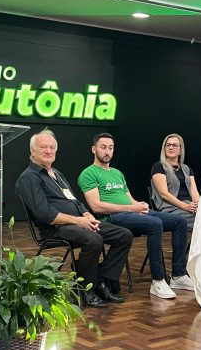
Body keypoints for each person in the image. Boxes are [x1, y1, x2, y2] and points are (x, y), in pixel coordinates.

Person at [15, 129, 132, 309]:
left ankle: (100, 280)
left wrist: (86, 214)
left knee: (124, 235)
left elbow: (74, 200)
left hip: (77, 222)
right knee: (94, 239)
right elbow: (44, 214)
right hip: (54, 228)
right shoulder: (29, 177)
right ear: (33, 150)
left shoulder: (56, 173)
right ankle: (86, 291)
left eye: (52, 147)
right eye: (44, 147)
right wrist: (78, 221)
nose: (49, 151)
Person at [78, 133, 193, 300]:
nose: (107, 151)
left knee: (179, 221)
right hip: (112, 217)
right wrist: (132, 208)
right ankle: (158, 280)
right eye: (103, 147)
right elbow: (97, 206)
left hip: (130, 212)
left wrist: (139, 205)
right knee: (155, 224)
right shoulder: (88, 173)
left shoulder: (117, 173)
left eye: (110, 148)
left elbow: (129, 199)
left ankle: (178, 275)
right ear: (94, 149)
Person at [150, 134, 200, 230]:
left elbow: (194, 191)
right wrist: (185, 206)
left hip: (189, 206)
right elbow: (164, 194)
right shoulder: (159, 166)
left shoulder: (187, 168)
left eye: (175, 145)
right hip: (170, 208)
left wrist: (198, 206)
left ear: (181, 149)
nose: (171, 147)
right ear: (164, 148)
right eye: (168, 145)